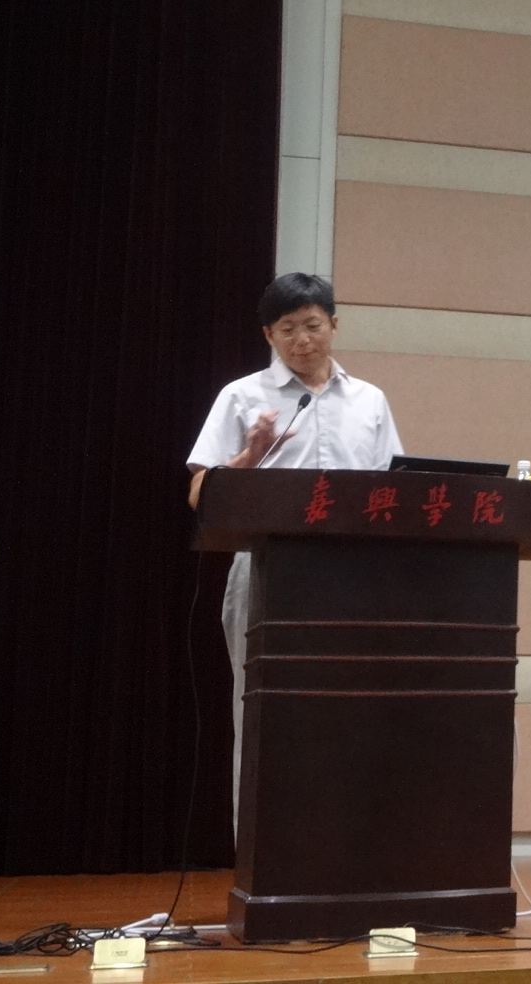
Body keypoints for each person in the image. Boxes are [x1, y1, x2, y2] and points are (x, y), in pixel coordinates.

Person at [186, 273, 403, 827]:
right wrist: (249, 457)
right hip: (267, 571)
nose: (302, 340)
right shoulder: (242, 396)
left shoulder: (370, 400)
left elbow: (393, 489)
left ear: (334, 324)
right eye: (288, 329)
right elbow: (199, 493)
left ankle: (345, 843)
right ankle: (261, 853)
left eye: (312, 325)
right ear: (268, 335)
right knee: (262, 709)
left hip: (355, 577)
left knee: (352, 708)